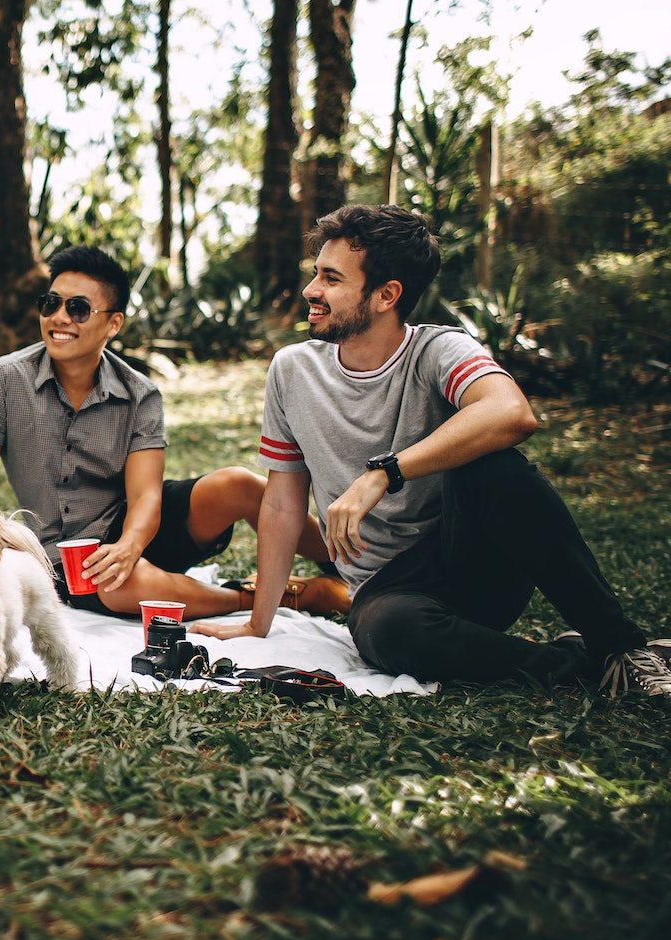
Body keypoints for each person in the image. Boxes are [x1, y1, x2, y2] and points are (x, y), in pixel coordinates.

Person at [194, 204, 671, 698]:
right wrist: (258, 623)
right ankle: (579, 665)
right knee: (387, 630)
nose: (311, 290)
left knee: (495, 467)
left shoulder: (439, 350)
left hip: (471, 560)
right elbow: (282, 501)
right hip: (389, 593)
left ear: (386, 295)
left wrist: (383, 473)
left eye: (331, 279)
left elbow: (512, 413)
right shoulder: (292, 370)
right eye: (316, 274)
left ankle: (624, 648)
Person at [0, 244, 343, 619]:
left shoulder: (139, 393)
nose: (59, 318)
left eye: (77, 308)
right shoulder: (3, 381)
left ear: (113, 323)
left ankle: (350, 563)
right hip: (66, 557)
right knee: (119, 584)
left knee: (238, 485)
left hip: (135, 527)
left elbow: (146, 495)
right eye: (50, 304)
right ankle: (275, 597)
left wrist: (129, 545)